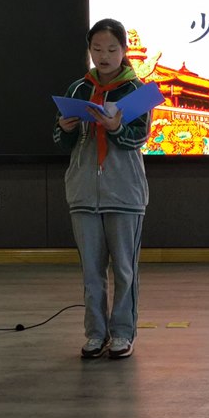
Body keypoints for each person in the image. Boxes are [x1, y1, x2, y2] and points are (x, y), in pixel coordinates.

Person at [54, 18, 150, 360]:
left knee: (124, 269)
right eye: (97, 49)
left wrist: (115, 127)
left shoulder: (136, 90)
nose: (104, 56)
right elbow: (62, 141)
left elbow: (139, 137)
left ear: (124, 51)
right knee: (92, 272)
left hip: (124, 192)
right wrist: (65, 128)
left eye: (111, 49)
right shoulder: (78, 89)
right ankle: (95, 334)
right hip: (83, 191)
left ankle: (122, 333)